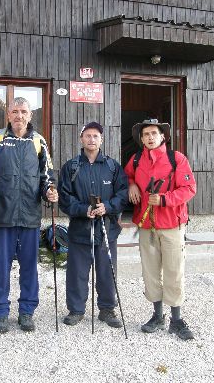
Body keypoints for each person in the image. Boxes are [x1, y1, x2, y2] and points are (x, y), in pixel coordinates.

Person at [0, 97, 58, 334]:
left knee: (30, 266)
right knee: (1, 266)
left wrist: (50, 192)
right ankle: (1, 311)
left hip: (30, 216)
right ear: (8, 115)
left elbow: (47, 176)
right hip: (2, 214)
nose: (19, 116)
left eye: (23, 112)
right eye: (14, 112)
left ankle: (27, 311)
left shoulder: (39, 141)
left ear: (30, 115)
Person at [124, 119, 197, 340]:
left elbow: (189, 188)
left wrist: (164, 199)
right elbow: (125, 176)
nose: (150, 137)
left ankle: (176, 319)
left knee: (174, 271)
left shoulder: (177, 159)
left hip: (172, 225)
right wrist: (132, 184)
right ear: (142, 138)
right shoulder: (136, 160)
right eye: (145, 134)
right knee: (151, 271)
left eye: (154, 133)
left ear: (162, 136)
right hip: (146, 226)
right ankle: (157, 316)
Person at [57, 122, 129, 328]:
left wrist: (107, 207)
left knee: (106, 270)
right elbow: (64, 197)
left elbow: (122, 194)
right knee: (77, 272)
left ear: (101, 139)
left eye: (95, 136)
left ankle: (107, 309)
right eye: (87, 136)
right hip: (80, 229)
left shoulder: (112, 166)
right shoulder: (71, 167)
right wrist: (82, 209)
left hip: (107, 229)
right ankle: (76, 310)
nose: (91, 139)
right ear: (81, 139)